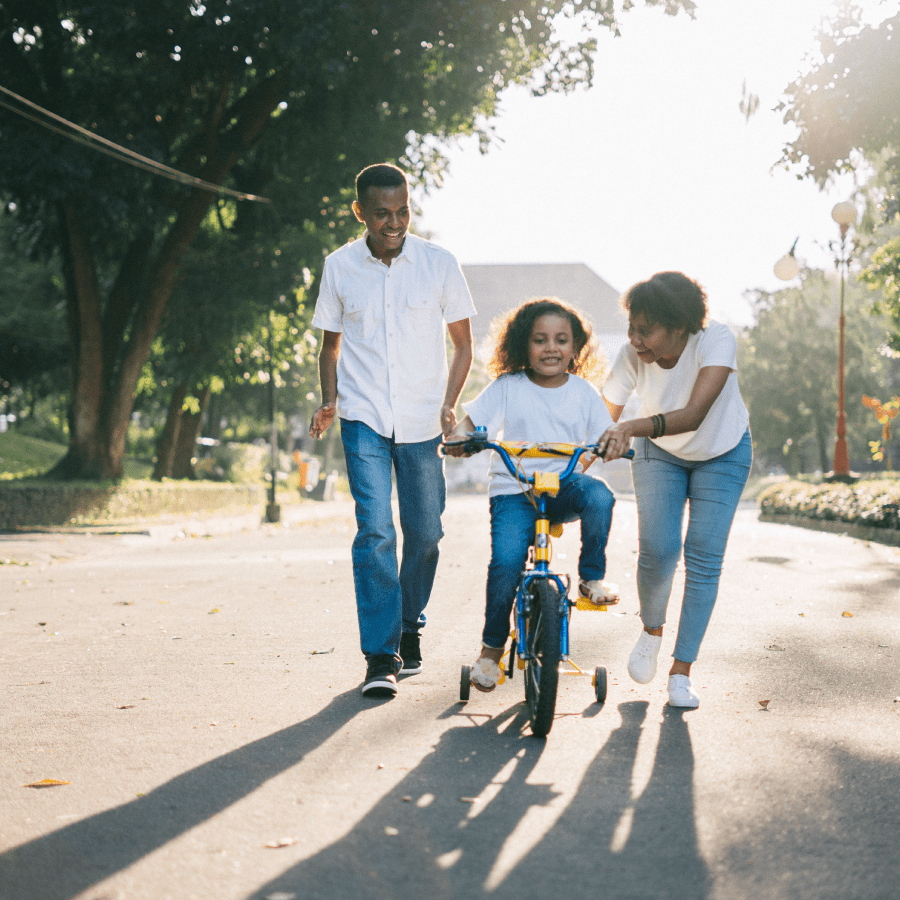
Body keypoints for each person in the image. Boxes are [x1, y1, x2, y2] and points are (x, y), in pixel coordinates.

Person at [309, 163, 475, 698]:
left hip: (424, 420)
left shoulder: (439, 263)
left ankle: (409, 626)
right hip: (363, 419)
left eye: (402, 211)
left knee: (425, 535)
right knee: (376, 530)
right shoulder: (339, 267)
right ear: (360, 212)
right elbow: (330, 346)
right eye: (382, 213)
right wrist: (330, 401)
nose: (395, 222)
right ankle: (380, 654)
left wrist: (450, 404)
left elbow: (463, 344)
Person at [596, 271, 752, 709]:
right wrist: (574, 463)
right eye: (632, 327)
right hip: (659, 454)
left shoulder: (715, 340)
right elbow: (600, 419)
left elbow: (696, 413)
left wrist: (630, 426)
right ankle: (651, 630)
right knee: (659, 550)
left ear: (679, 326)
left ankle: (681, 671)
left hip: (722, 450)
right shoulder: (632, 356)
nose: (635, 339)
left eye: (645, 330)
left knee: (703, 556)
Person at [447, 298, 619, 692]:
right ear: (524, 345)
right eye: (540, 340)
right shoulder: (508, 387)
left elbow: (603, 437)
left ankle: (592, 579)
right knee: (506, 563)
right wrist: (461, 438)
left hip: (561, 488)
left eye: (561, 340)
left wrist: (608, 447)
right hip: (513, 491)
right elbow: (470, 424)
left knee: (601, 497)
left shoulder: (584, 392)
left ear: (576, 348)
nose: (551, 348)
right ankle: (491, 652)